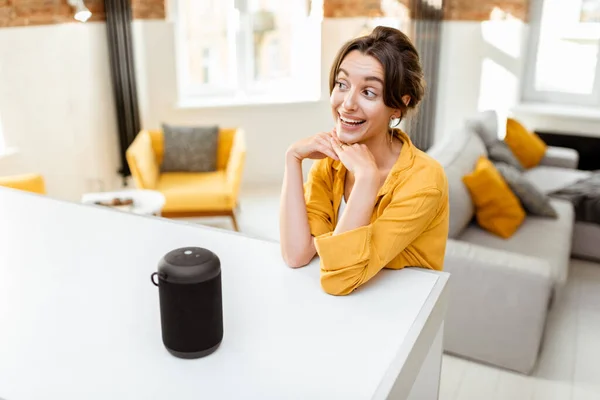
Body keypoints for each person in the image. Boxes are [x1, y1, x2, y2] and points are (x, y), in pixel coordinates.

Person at [279, 26, 449, 296]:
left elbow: (340, 281)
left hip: (405, 316)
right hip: (351, 314)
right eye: (342, 84)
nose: (347, 104)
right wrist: (292, 158)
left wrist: (367, 179)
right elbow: (296, 254)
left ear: (398, 106)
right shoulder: (332, 160)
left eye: (368, 92)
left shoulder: (425, 180)